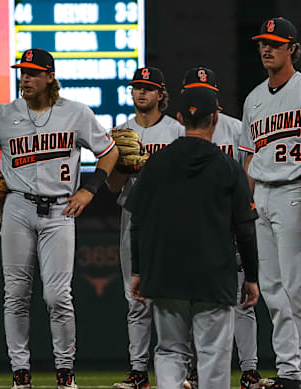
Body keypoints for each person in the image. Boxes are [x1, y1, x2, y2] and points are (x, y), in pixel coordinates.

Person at [0, 48, 119, 389]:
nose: (24, 78)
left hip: (60, 209)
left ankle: (65, 371)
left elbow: (110, 151)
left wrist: (89, 189)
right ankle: (20, 373)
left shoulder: (75, 113)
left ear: (50, 77)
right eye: (22, 72)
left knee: (57, 296)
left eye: (31, 72)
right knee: (15, 293)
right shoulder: (4, 114)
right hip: (17, 207)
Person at [125, 86, 260, 389]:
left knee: (170, 351)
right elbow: (245, 228)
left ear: (180, 117)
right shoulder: (228, 166)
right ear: (215, 118)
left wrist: (137, 270)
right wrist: (251, 276)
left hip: (165, 272)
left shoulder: (156, 163)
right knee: (213, 354)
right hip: (214, 275)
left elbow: (138, 221)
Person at [238, 17, 301, 389]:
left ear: (291, 48)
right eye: (263, 43)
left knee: (299, 288)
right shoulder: (254, 98)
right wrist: (244, 209)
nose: (267, 48)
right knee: (272, 290)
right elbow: (250, 161)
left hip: (298, 190)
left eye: (275, 43)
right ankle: (288, 371)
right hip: (263, 196)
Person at [180, 66, 271, 389]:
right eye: (194, 89)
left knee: (242, 300)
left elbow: (251, 174)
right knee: (193, 301)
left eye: (206, 91)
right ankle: (193, 370)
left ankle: (249, 370)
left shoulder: (235, 128)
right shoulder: (179, 133)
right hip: (192, 224)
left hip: (229, 221)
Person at [108, 67, 184, 389]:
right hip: (134, 217)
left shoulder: (177, 132)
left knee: (175, 298)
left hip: (170, 219)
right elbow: (113, 186)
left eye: (149, 88)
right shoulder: (120, 131)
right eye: (137, 87)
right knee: (135, 299)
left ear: (160, 94)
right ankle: (138, 371)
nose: (142, 93)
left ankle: (183, 371)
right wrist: (124, 165)